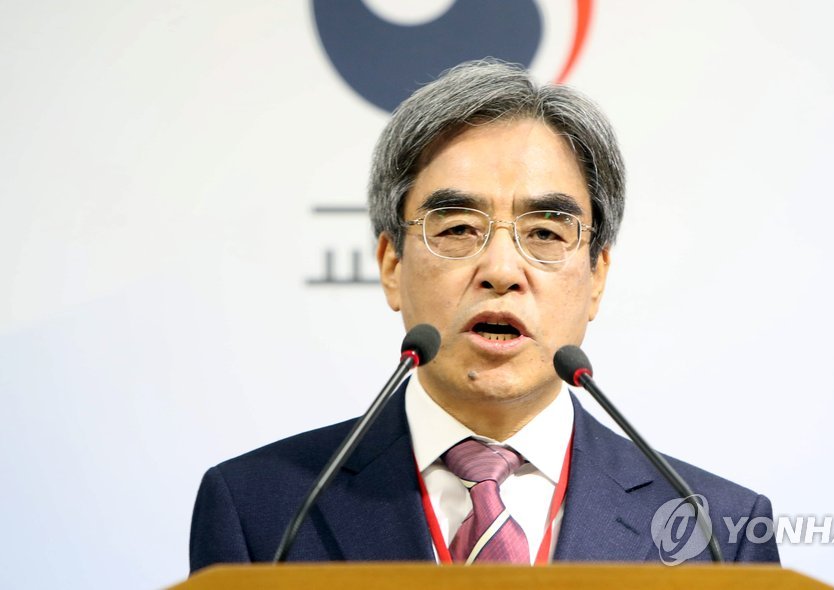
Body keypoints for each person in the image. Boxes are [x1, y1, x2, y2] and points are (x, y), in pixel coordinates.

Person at [189, 59, 780, 572]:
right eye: (457, 229)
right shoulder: (262, 510)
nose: (501, 269)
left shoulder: (717, 533)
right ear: (391, 264)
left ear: (596, 276)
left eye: (545, 232)